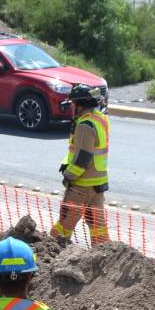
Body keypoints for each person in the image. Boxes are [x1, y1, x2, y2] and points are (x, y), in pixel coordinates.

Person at [51, 84, 109, 246]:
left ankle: (51, 252)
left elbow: (83, 157)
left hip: (81, 186)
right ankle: (103, 254)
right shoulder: (100, 119)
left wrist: (69, 175)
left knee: (64, 225)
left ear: (79, 105)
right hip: (98, 184)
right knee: (98, 226)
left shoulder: (84, 125)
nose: (71, 107)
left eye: (73, 104)